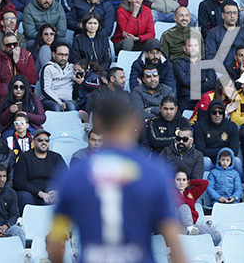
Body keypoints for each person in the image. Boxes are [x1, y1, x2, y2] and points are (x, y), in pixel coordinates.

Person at [48, 93, 187, 263]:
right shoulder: (153, 173)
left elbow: (55, 242)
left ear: (97, 123)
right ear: (135, 122)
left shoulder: (73, 176)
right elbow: (173, 237)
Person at [13, 128, 66, 210]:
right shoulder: (25, 157)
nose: (44, 142)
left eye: (46, 140)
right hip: (32, 194)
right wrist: (40, 193)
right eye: (40, 140)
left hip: (52, 195)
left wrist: (58, 191)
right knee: (23, 196)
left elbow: (66, 178)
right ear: (33, 143)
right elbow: (19, 182)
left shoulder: (56, 157)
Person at [0, 33, 37, 100]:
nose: (12, 47)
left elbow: (32, 80)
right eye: (8, 45)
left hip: (25, 96)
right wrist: (11, 98)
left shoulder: (27, 55)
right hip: (4, 97)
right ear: (3, 47)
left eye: (15, 44)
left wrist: (17, 62)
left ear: (18, 44)